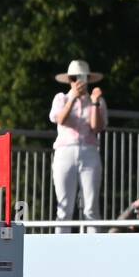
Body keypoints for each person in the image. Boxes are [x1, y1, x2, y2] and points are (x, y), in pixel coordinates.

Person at [49, 59, 106, 232]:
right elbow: (60, 119)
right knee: (64, 205)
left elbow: (96, 127)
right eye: (74, 78)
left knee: (91, 206)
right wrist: (73, 97)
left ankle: (93, 247)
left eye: (82, 78)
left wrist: (95, 102)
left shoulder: (96, 101)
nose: (78, 82)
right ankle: (60, 247)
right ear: (70, 80)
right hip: (65, 151)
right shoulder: (61, 98)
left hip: (89, 151)